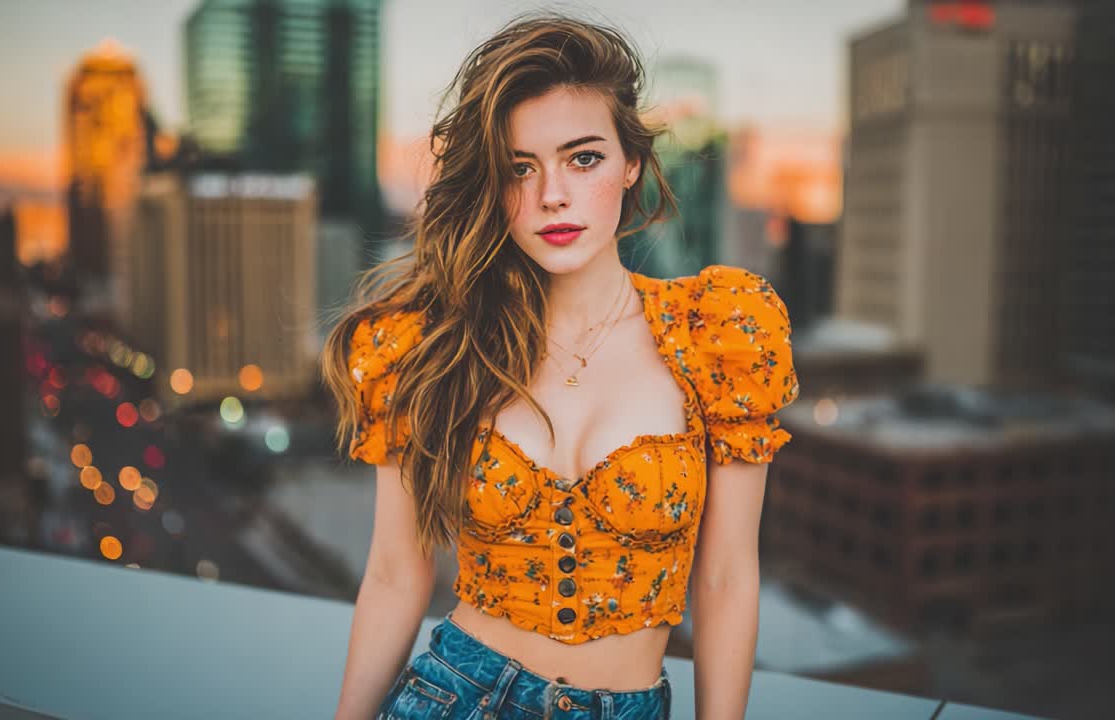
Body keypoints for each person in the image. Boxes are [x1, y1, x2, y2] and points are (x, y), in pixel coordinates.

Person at [321, 12, 800, 719]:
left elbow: (728, 579)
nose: (552, 195)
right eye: (520, 168)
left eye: (583, 158)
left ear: (631, 163)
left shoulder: (718, 334)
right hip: (449, 696)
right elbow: (396, 573)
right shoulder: (434, 344)